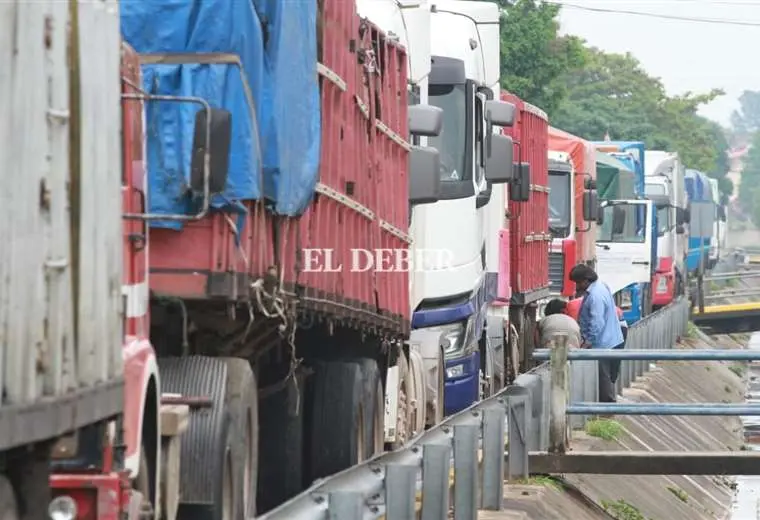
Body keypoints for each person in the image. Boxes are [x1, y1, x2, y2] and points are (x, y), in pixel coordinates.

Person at [568, 264, 625, 404]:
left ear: (586, 280)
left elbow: (597, 323)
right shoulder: (601, 286)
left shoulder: (595, 296)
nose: (577, 287)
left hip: (603, 343)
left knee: (603, 377)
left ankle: (606, 409)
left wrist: (587, 342)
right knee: (607, 377)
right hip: (612, 339)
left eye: (578, 282)